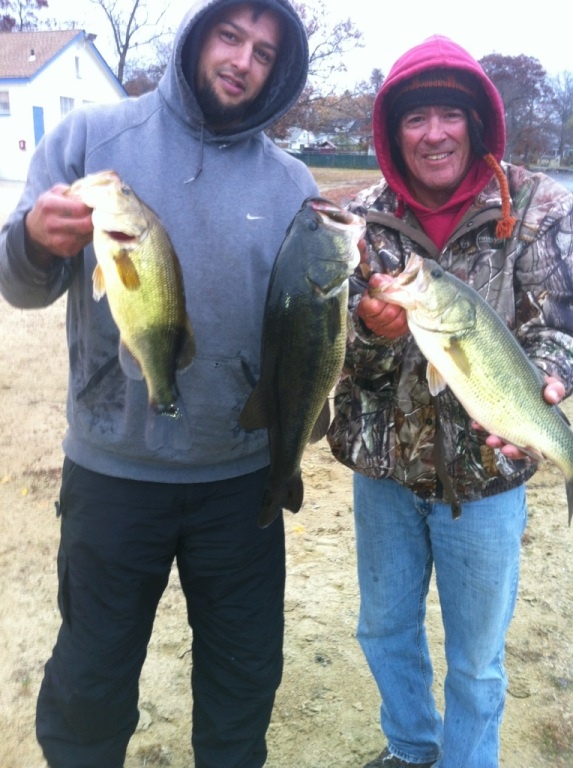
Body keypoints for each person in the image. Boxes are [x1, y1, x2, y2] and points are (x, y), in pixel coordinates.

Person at [0, 2, 319, 766]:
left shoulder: (293, 184)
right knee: (90, 682)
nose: (242, 60)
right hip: (113, 473)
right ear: (198, 34)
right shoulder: (89, 140)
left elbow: (306, 326)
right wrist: (35, 243)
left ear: (279, 74)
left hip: (244, 480)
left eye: (265, 53)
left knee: (242, 685)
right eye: (230, 36)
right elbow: (19, 285)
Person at [327, 35, 573, 768]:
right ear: (391, 132)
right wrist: (371, 336)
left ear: (476, 123)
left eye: (448, 114)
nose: (433, 133)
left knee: (475, 660)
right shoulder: (360, 222)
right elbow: (343, 362)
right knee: (382, 630)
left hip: (487, 480)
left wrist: (549, 381)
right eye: (413, 118)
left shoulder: (537, 206)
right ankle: (410, 748)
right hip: (384, 473)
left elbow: (556, 326)